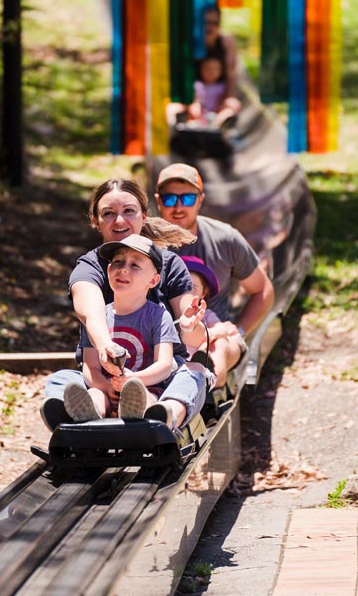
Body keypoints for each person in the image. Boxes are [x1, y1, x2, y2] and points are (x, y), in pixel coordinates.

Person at [41, 179, 208, 431]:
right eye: (108, 214)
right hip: (102, 378)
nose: (119, 220)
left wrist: (188, 324)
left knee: (194, 373)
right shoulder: (92, 265)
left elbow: (193, 332)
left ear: (144, 215)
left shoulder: (168, 265)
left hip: (155, 379)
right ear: (96, 221)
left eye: (128, 211)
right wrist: (106, 353)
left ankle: (163, 414)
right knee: (60, 380)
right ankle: (79, 415)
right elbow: (89, 310)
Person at [62, 234, 206, 427]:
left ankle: (150, 415)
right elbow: (91, 366)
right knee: (94, 394)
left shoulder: (158, 316)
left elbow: (164, 365)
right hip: (107, 389)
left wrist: (133, 380)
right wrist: (107, 387)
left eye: (135, 265)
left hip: (147, 386)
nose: (123, 269)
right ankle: (89, 415)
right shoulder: (98, 317)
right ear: (108, 269)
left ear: (153, 281)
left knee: (147, 395)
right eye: (117, 262)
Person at [154, 163, 275, 386]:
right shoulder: (147, 246)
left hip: (214, 335)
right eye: (170, 199)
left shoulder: (224, 239)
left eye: (188, 199)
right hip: (161, 339)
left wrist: (239, 331)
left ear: (200, 199)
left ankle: (201, 392)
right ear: (158, 200)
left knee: (215, 354)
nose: (179, 207)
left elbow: (262, 290)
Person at [180, 255, 247, 387]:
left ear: (203, 293)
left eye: (193, 287)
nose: (186, 292)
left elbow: (222, 330)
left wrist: (210, 335)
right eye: (180, 286)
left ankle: (211, 378)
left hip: (202, 355)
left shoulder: (206, 315)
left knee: (217, 344)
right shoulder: (166, 314)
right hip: (182, 362)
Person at [185, 55, 241, 129]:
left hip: (217, 116)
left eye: (215, 69)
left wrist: (227, 104)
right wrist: (195, 106)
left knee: (230, 108)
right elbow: (195, 101)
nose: (211, 72)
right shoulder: (197, 85)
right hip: (199, 116)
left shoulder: (223, 87)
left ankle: (216, 125)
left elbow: (227, 101)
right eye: (208, 69)